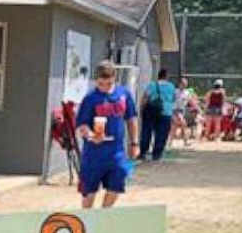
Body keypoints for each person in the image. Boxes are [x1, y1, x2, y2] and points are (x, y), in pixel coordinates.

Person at [75, 60, 139, 209]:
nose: (104, 87)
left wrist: (134, 142)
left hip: (116, 151)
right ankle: (88, 221)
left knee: (117, 183)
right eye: (101, 84)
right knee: (89, 192)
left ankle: (104, 213)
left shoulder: (124, 94)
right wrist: (91, 135)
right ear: (96, 80)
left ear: (115, 79)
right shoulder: (90, 98)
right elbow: (82, 125)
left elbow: (131, 118)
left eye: (109, 84)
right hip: (93, 154)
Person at [138, 68, 177, 161]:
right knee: (162, 134)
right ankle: (157, 154)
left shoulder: (152, 85)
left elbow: (145, 97)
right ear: (166, 76)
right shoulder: (171, 86)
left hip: (151, 111)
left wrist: (141, 109)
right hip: (166, 112)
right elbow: (173, 99)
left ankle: (143, 152)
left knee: (146, 132)